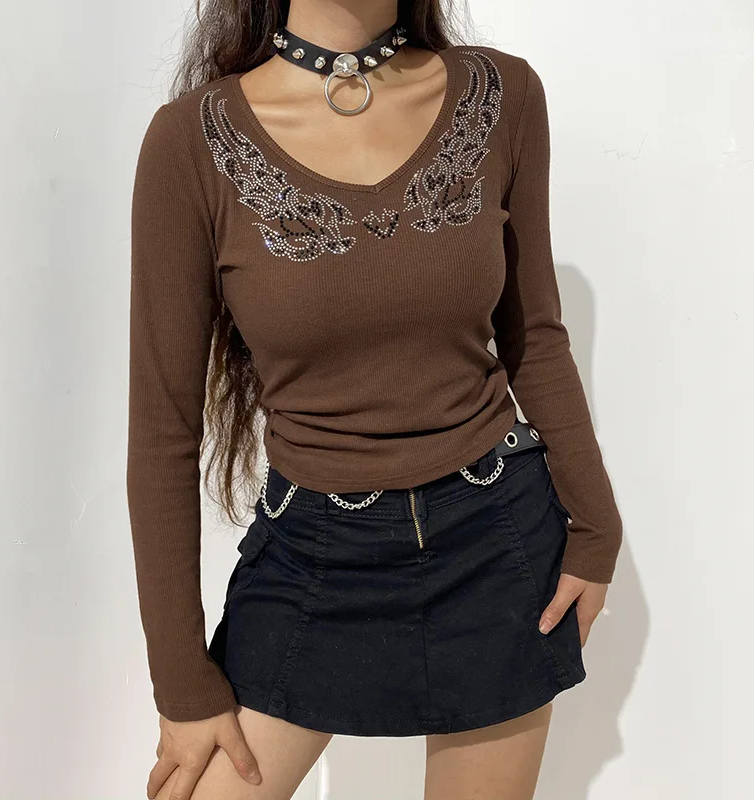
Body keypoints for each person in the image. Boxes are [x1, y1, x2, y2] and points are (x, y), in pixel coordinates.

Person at [126, 1, 623, 798]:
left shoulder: (504, 96)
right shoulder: (191, 140)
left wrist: (597, 531)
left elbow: (533, 334)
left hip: (496, 549)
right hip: (311, 559)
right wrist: (181, 683)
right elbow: (164, 430)